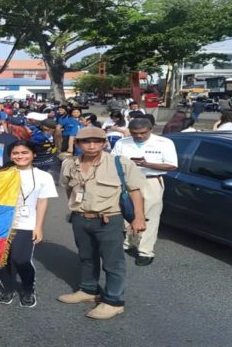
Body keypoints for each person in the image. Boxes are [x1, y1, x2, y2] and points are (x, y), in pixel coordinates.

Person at [58, 127, 147, 320]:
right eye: (86, 141)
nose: (91, 145)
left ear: (104, 143)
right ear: (78, 144)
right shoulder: (69, 164)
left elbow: (135, 191)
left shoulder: (119, 163)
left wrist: (138, 217)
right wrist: (74, 210)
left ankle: (114, 301)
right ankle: (89, 290)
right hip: (80, 218)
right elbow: (68, 189)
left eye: (97, 141)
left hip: (109, 219)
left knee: (113, 262)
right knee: (86, 257)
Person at [0, 140, 57, 307]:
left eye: (24, 153)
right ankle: (8, 288)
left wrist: (38, 227)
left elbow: (42, 202)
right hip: (2, 224)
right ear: (10, 155)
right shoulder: (2, 174)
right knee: (2, 260)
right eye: (15, 153)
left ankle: (28, 289)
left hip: (27, 223)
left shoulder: (44, 176)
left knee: (21, 259)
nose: (20, 156)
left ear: (33, 154)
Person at [112, 118, 178, 266]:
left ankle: (145, 251)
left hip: (151, 180)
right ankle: (129, 242)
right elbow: (112, 161)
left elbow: (172, 166)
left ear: (150, 130)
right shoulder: (122, 143)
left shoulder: (164, 143)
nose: (139, 136)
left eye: (143, 133)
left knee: (150, 216)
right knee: (127, 213)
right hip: (126, 181)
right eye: (135, 133)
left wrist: (146, 164)